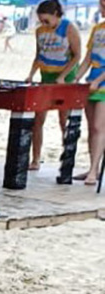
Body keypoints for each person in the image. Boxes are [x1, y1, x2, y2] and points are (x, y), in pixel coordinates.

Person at [26, 0, 81, 171]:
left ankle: (66, 159)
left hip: (64, 77)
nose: (44, 24)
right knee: (38, 119)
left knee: (64, 120)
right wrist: (31, 74)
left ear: (56, 15)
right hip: (46, 76)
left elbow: (77, 55)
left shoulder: (69, 28)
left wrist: (64, 76)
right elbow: (39, 54)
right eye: (41, 21)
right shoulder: (40, 32)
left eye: (47, 21)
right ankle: (35, 158)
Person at [73, 0, 105, 185]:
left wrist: (98, 80)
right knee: (91, 127)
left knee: (100, 127)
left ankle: (94, 170)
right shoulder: (97, 29)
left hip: (101, 83)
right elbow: (88, 58)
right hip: (92, 80)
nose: (100, 9)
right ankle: (92, 165)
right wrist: (77, 77)